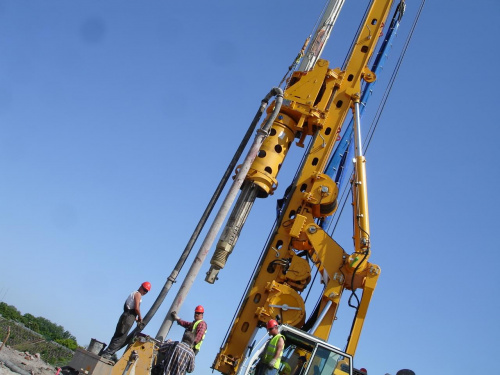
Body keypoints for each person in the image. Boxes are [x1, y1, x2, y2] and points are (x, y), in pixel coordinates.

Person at [100, 281, 151, 359]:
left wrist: (135, 318)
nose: (145, 292)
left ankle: (107, 352)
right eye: (144, 289)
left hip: (127, 315)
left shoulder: (134, 293)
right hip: (128, 317)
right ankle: (107, 354)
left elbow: (130, 308)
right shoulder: (138, 294)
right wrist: (140, 317)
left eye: (146, 291)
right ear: (141, 287)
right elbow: (136, 308)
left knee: (118, 335)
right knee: (121, 337)